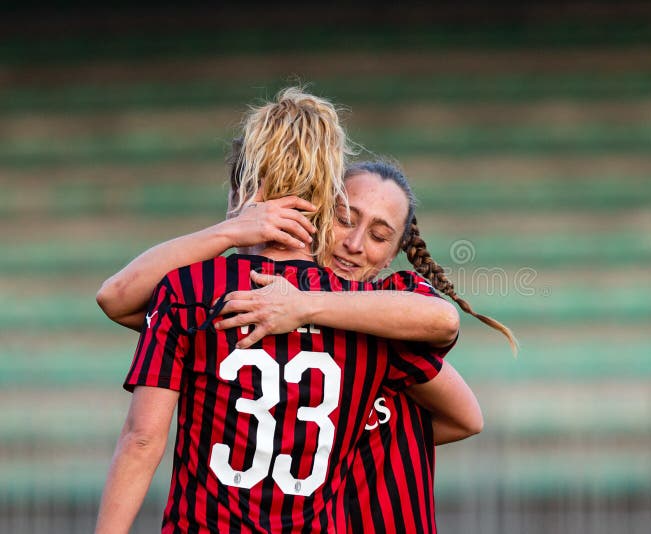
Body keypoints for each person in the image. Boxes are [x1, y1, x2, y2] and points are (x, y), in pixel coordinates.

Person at [94, 88, 483, 534]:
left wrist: (256, 260)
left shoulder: (191, 290)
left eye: (377, 235)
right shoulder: (370, 322)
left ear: (240, 186)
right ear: (326, 199)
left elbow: (142, 438)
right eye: (346, 218)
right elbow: (463, 404)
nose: (355, 244)